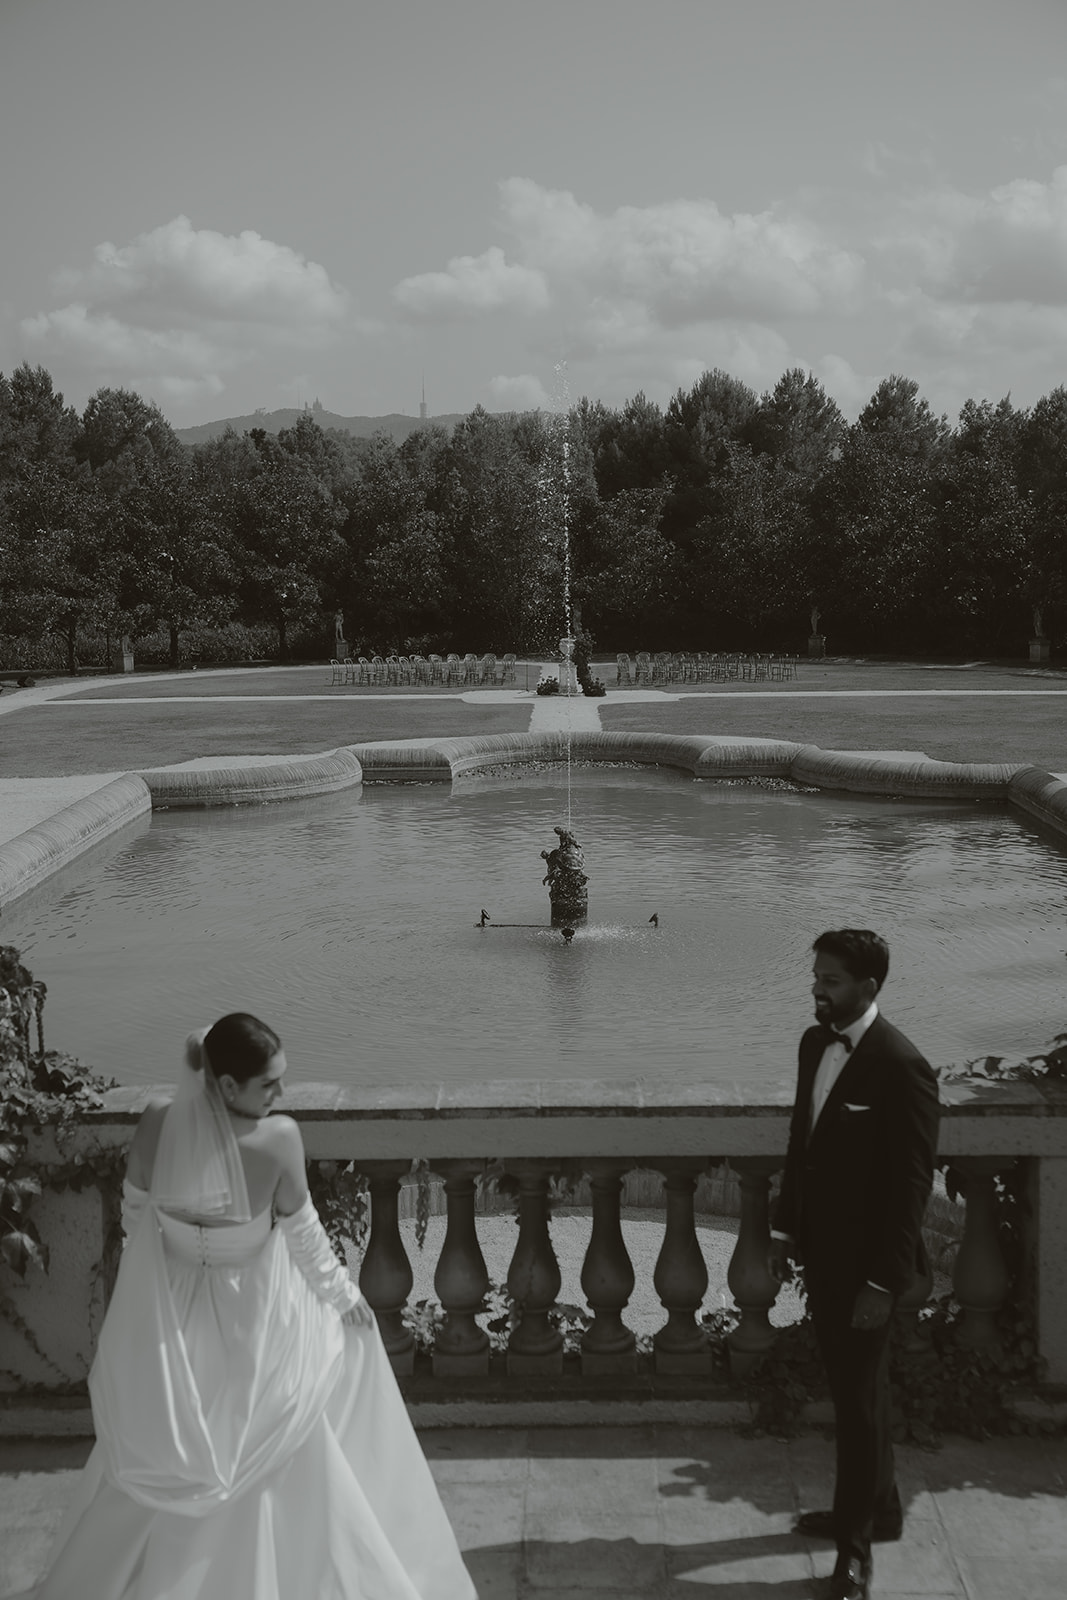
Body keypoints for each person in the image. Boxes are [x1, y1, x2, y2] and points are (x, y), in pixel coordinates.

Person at [15, 1013, 477, 1600]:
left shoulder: (158, 1122)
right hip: (256, 1312)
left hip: (175, 1312)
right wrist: (341, 1298)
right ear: (228, 1085)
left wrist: (156, 1284)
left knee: (164, 1439)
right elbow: (304, 1232)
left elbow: (135, 1214)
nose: (281, 1094)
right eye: (269, 1084)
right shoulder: (278, 1138)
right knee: (296, 1423)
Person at [770, 931, 939, 1600]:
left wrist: (881, 1282)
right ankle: (881, 1509)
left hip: (867, 1268)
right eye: (816, 975)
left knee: (858, 1407)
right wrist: (784, 1232)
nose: (818, 988)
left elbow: (909, 1187)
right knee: (855, 1393)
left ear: (868, 987)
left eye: (832, 980)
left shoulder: (902, 1066)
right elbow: (799, 1143)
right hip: (821, 1253)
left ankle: (854, 1555)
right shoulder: (815, 1042)